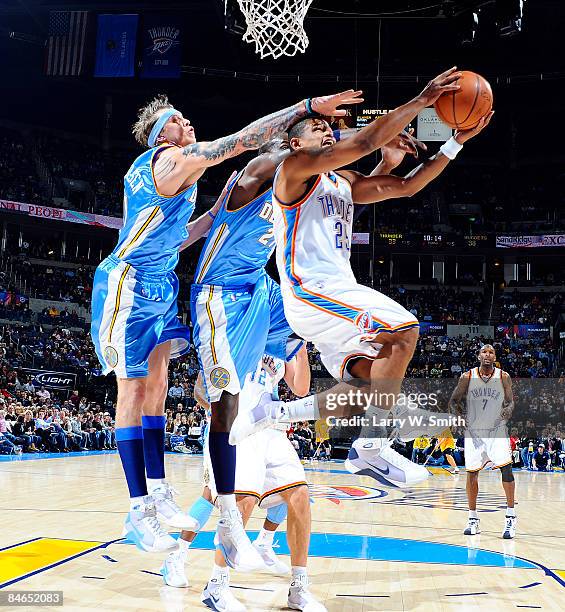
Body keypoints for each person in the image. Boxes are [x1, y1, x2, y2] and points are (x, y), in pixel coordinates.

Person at [90, 90, 358, 554]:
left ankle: (158, 492)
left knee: (156, 389)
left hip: (162, 280)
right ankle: (138, 510)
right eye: (178, 120)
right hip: (128, 283)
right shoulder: (171, 160)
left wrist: (215, 216)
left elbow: (180, 234)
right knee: (132, 392)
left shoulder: (179, 173)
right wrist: (305, 108)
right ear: (161, 136)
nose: (188, 123)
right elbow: (238, 141)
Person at [231, 67, 492, 489]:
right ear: (297, 143)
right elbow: (366, 140)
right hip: (310, 289)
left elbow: (405, 187)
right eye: (319, 128)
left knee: (364, 383)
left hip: (332, 296)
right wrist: (421, 101)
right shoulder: (294, 169)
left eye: (328, 127)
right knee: (404, 330)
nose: (328, 132)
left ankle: (273, 414)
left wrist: (455, 142)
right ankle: (373, 445)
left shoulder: (344, 181)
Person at [449, 344, 516, 539]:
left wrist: (508, 409)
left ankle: (510, 517)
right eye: (484, 352)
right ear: (479, 356)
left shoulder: (503, 376)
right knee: (471, 474)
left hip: (496, 430)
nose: (488, 354)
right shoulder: (467, 376)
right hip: (474, 432)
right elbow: (454, 401)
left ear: (495, 356)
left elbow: (510, 401)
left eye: (491, 352)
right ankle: (473, 519)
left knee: (507, 469)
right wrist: (458, 416)